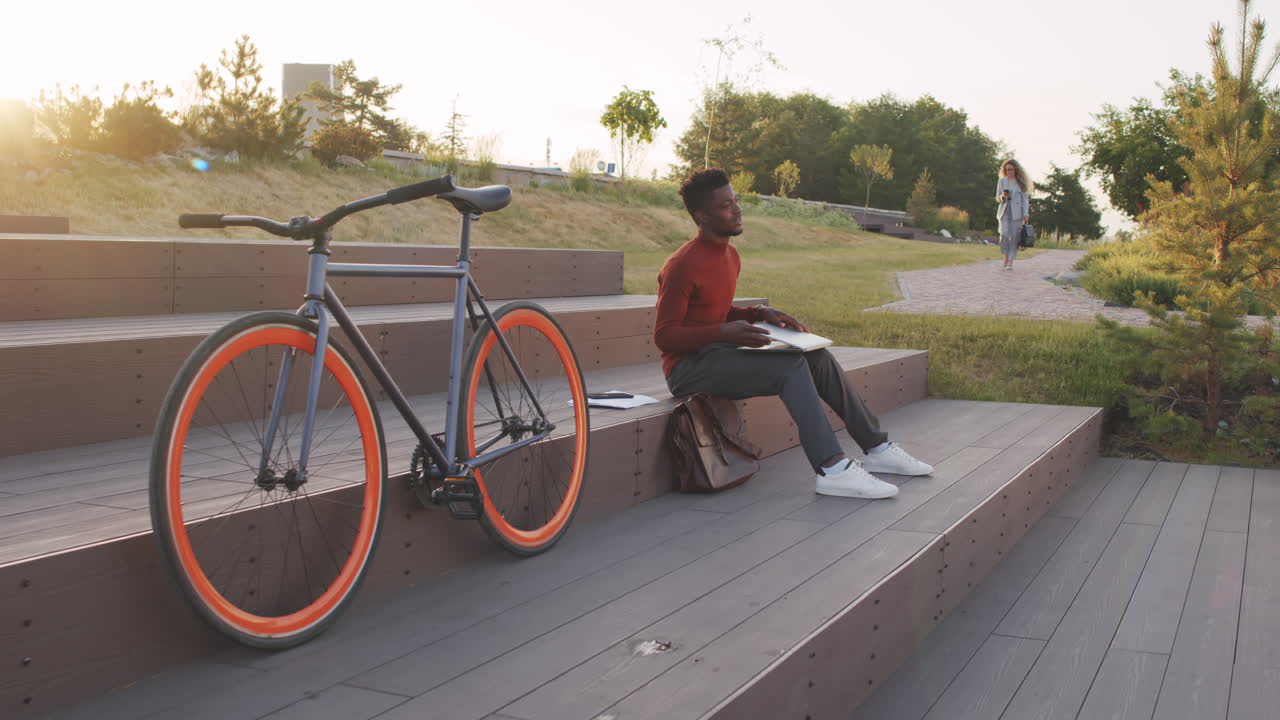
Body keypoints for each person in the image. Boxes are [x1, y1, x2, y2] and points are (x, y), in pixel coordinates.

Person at [653, 168, 933, 500]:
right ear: (701, 216)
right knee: (789, 368)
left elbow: (710, 310)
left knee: (817, 357)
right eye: (726, 205)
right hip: (688, 370)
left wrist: (759, 314)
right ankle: (833, 469)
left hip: (717, 354)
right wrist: (725, 333)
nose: (738, 210)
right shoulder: (681, 265)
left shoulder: (730, 255)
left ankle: (877, 447)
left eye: (736, 201)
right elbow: (666, 336)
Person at [995, 159, 1031, 270]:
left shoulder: (1020, 183)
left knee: (1014, 237)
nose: (1008, 171)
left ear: (1015, 169)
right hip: (1004, 211)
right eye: (1006, 169)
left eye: (1010, 169)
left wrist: (1025, 214)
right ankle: (1005, 257)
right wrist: (1002, 196)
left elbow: (1024, 200)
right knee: (1004, 235)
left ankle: (1011, 260)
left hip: (1017, 213)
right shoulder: (1002, 181)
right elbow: (997, 197)